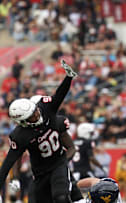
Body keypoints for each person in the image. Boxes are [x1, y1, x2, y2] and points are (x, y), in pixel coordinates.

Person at [0, 60, 78, 203]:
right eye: (32, 116)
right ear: (22, 121)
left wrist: (69, 77)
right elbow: (8, 162)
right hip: (39, 173)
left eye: (35, 111)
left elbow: (58, 96)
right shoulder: (20, 135)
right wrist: (11, 180)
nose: (37, 115)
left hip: (58, 163)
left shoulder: (45, 108)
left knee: (61, 198)